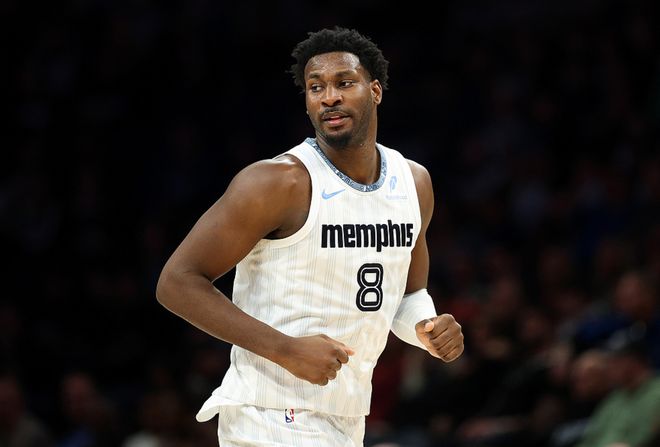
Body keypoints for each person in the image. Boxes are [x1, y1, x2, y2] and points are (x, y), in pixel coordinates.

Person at [156, 26, 465, 446]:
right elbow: (176, 282)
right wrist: (285, 349)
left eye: (344, 83)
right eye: (316, 87)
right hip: (268, 413)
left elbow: (407, 295)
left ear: (375, 91)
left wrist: (426, 328)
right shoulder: (277, 182)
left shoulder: (413, 182)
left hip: (347, 414)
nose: (328, 97)